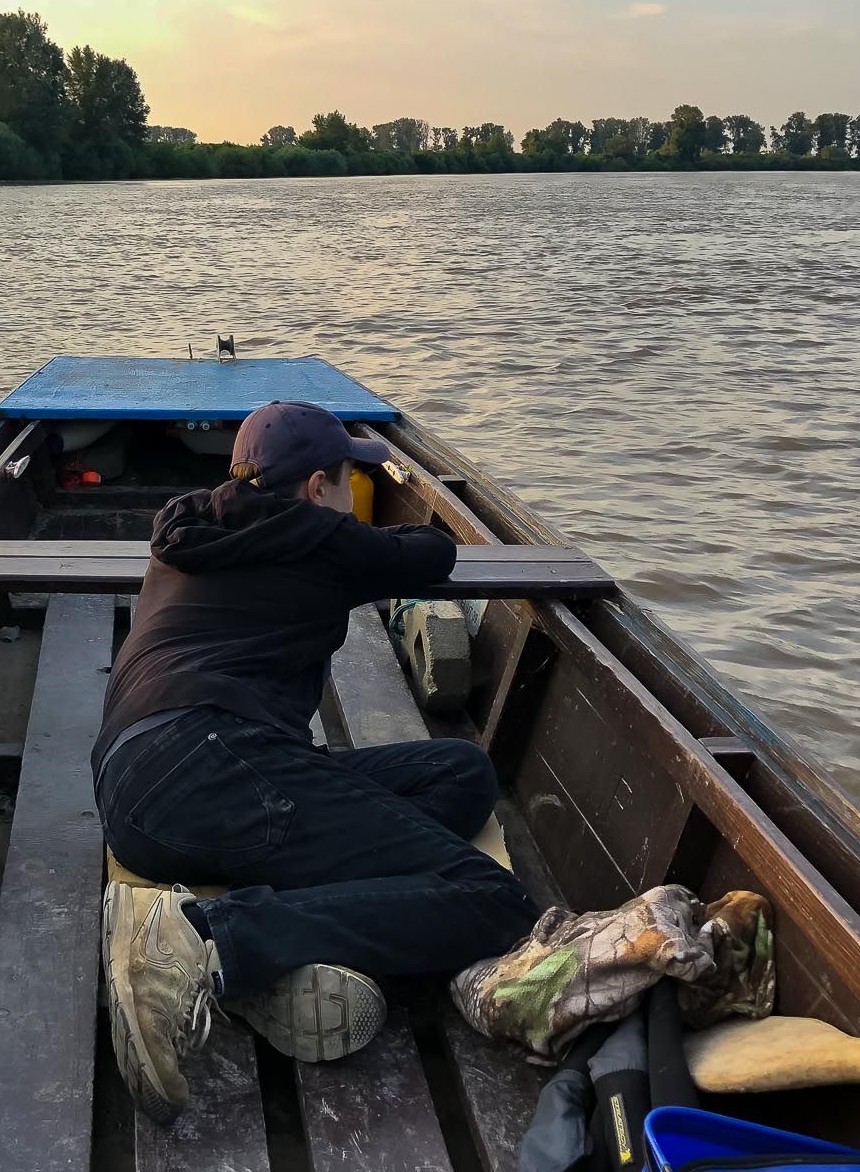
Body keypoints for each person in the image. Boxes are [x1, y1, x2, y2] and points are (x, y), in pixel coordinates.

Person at [94, 399, 542, 1123]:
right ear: (314, 488)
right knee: (495, 902)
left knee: (461, 774)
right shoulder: (317, 535)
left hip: (130, 785)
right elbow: (431, 556)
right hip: (215, 761)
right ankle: (206, 941)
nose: (348, 501)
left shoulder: (184, 524)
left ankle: (294, 930)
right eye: (344, 485)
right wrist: (364, 534)